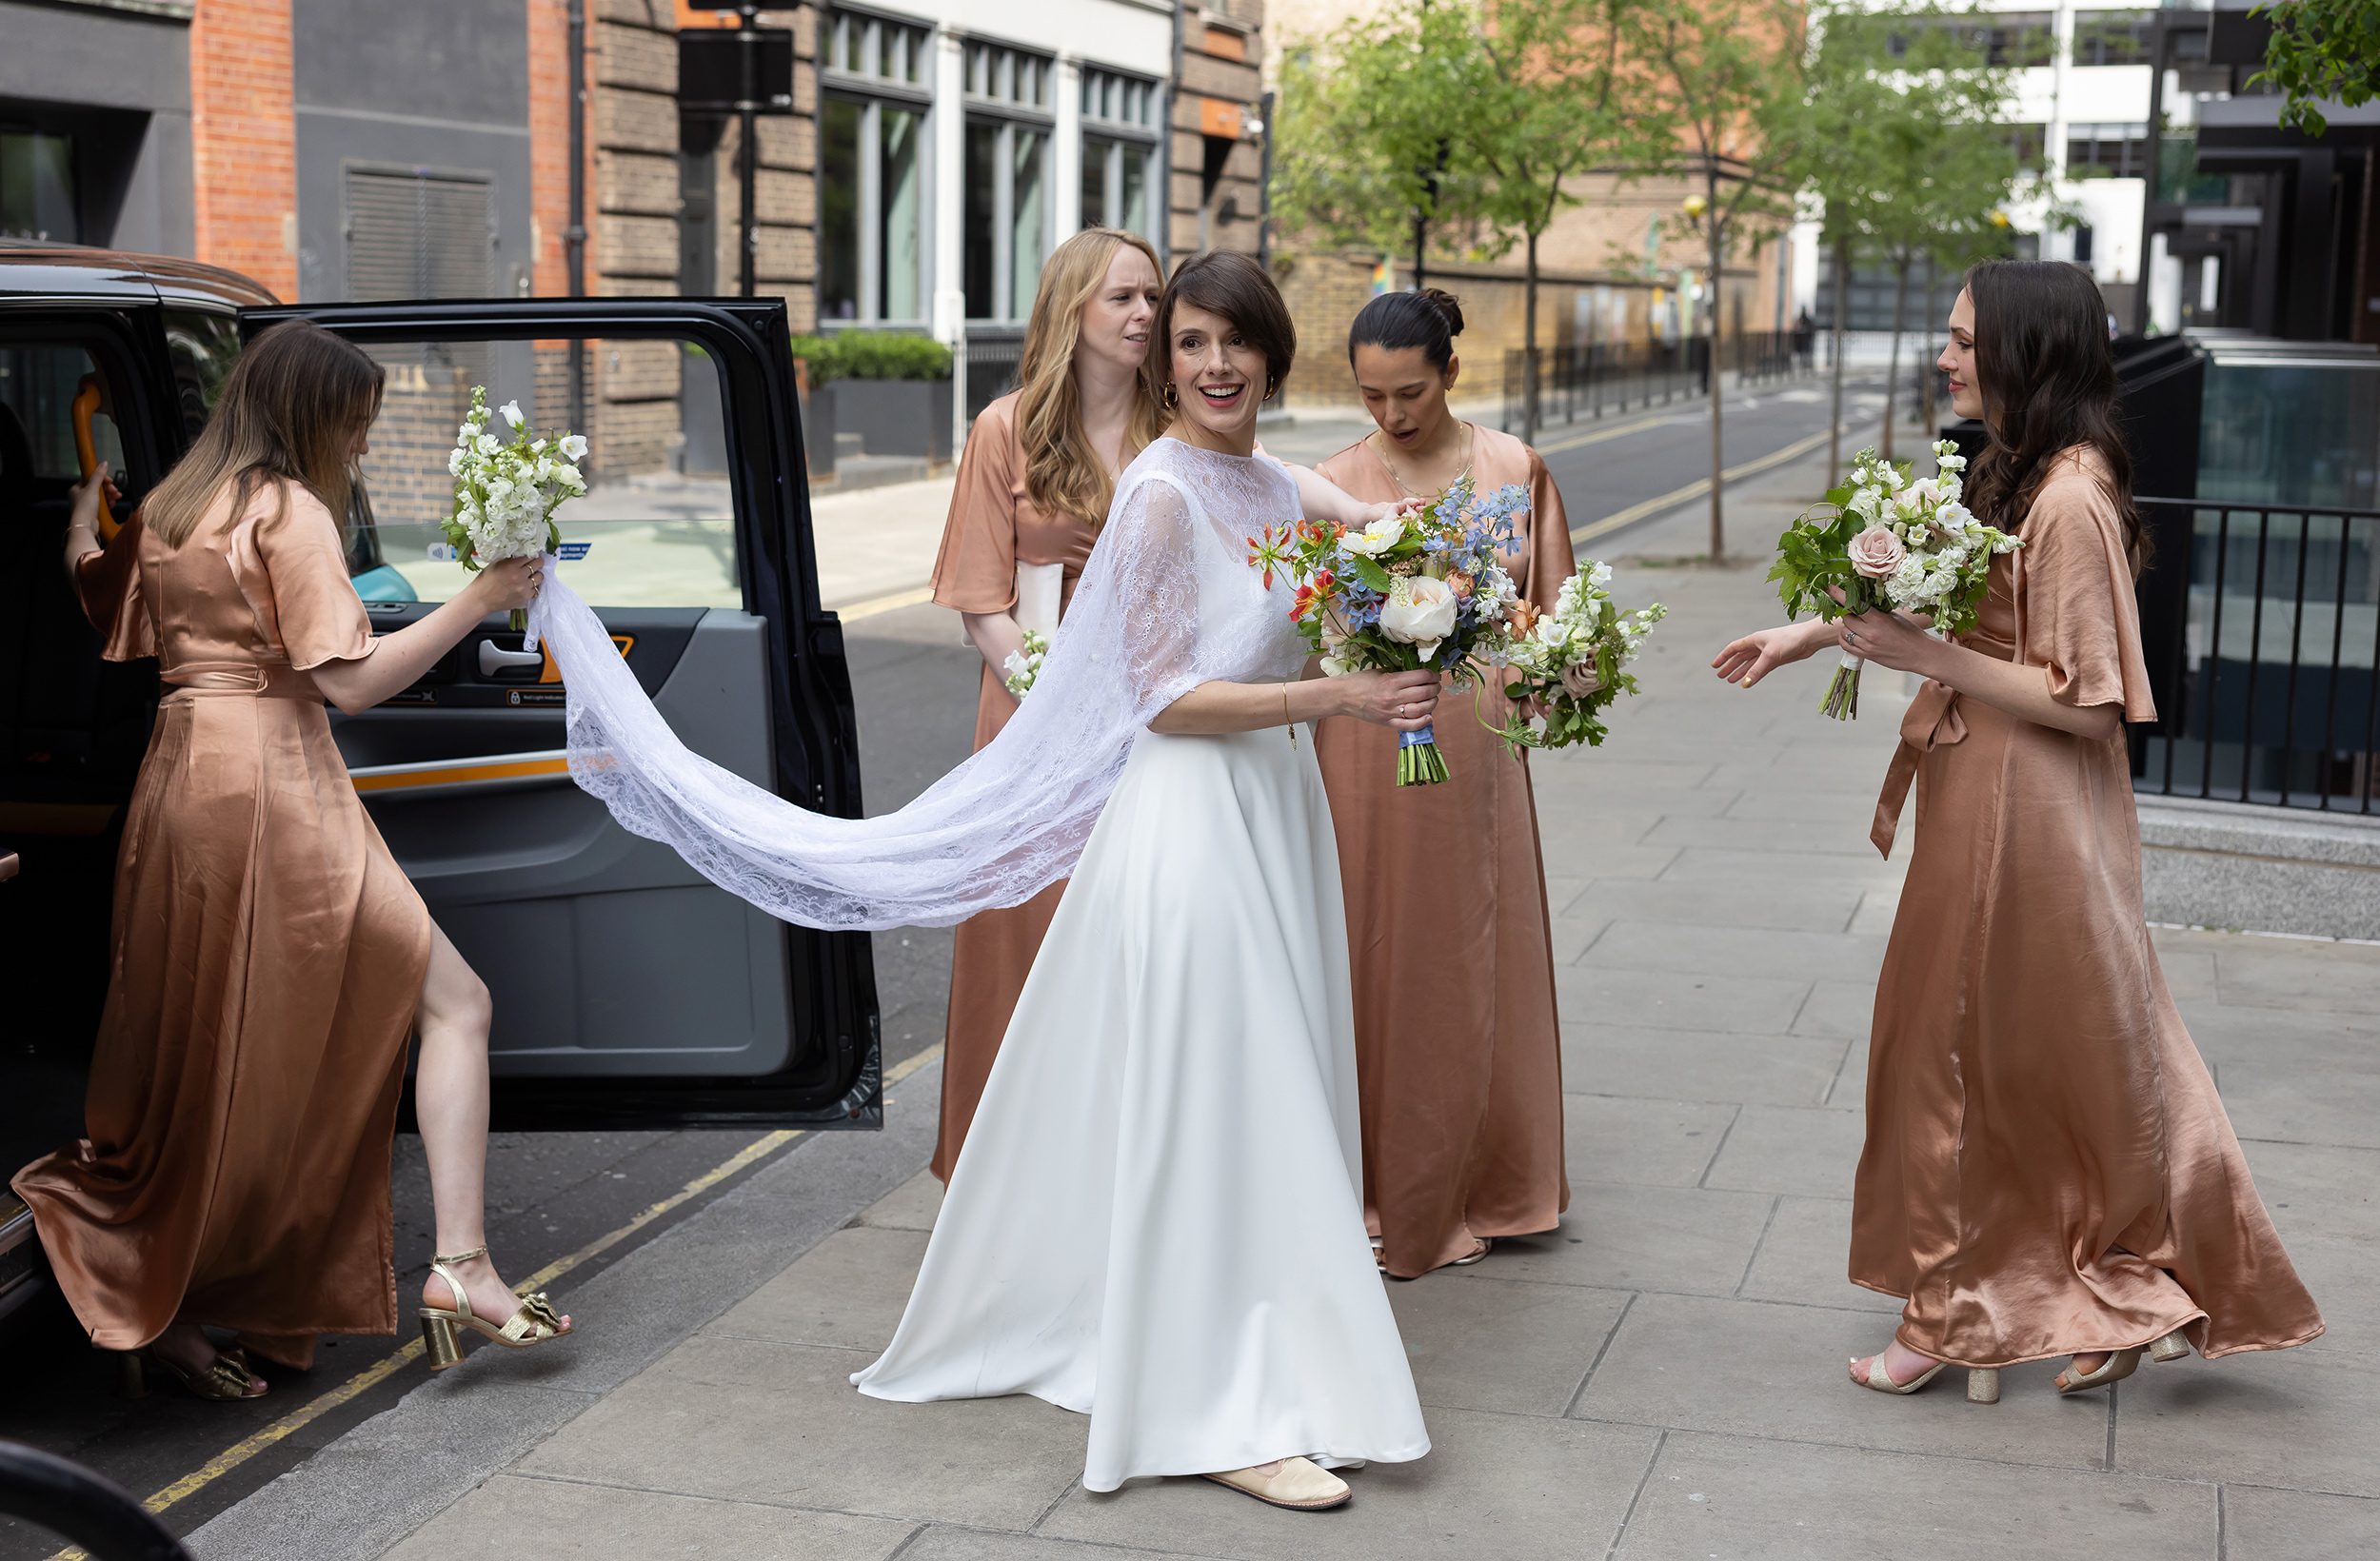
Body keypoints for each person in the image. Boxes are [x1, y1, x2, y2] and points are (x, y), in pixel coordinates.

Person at [526, 252, 1435, 1509]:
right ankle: (1207, 1409)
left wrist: (1469, 599)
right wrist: (1338, 693)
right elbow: (1163, 700)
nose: (1214, 364)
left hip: (1273, 809)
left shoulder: (1270, 479)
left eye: (1236, 342)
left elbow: (1397, 528)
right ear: (1167, 363)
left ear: (1276, 354)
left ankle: (1272, 1349)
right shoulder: (1162, 495)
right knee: (1221, 1097)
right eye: (1190, 342)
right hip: (1196, 819)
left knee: (1259, 1092)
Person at [1711, 260, 2322, 1404]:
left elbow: (2087, 703)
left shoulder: (2069, 498)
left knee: (1954, 1051)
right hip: (1997, 792)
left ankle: (1959, 1313)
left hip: (2019, 809)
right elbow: (1966, 607)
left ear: (2025, 351)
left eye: (1962, 339)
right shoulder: (2026, 467)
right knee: (2049, 1049)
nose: (1944, 356)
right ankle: (2113, 1285)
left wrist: (1921, 656)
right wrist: (1810, 634)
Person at [13, 321, 572, 1400]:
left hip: (179, 781)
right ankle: (459, 1267)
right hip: (275, 783)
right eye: (355, 425)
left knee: (214, 1045)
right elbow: (349, 681)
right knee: (451, 1003)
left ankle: (178, 1301)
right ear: (311, 415)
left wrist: (84, 509)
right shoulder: (289, 510)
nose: (358, 446)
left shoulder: (172, 507)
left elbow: (90, 580)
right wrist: (478, 597)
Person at [1311, 288, 1573, 1277]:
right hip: (1364, 749)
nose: (1391, 414)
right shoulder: (1332, 482)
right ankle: (1372, 1180)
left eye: (1410, 393)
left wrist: (1557, 674)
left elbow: (1555, 612)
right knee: (1373, 945)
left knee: (1472, 946)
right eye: (1371, 396)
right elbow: (1306, 629)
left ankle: (1485, 1177)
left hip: (1478, 743)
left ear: (1452, 373)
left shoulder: (1515, 468)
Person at [925, 227, 1164, 1184]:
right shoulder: (1006, 428)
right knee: (1029, 923)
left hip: (1154, 713)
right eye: (1123, 297)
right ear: (1073, 310)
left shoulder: (1180, 423)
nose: (1145, 314)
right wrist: (1054, 699)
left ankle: (1125, 1169)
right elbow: (979, 601)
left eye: (1153, 297)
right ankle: (1012, 1172)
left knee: (1136, 929)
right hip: (1032, 713)